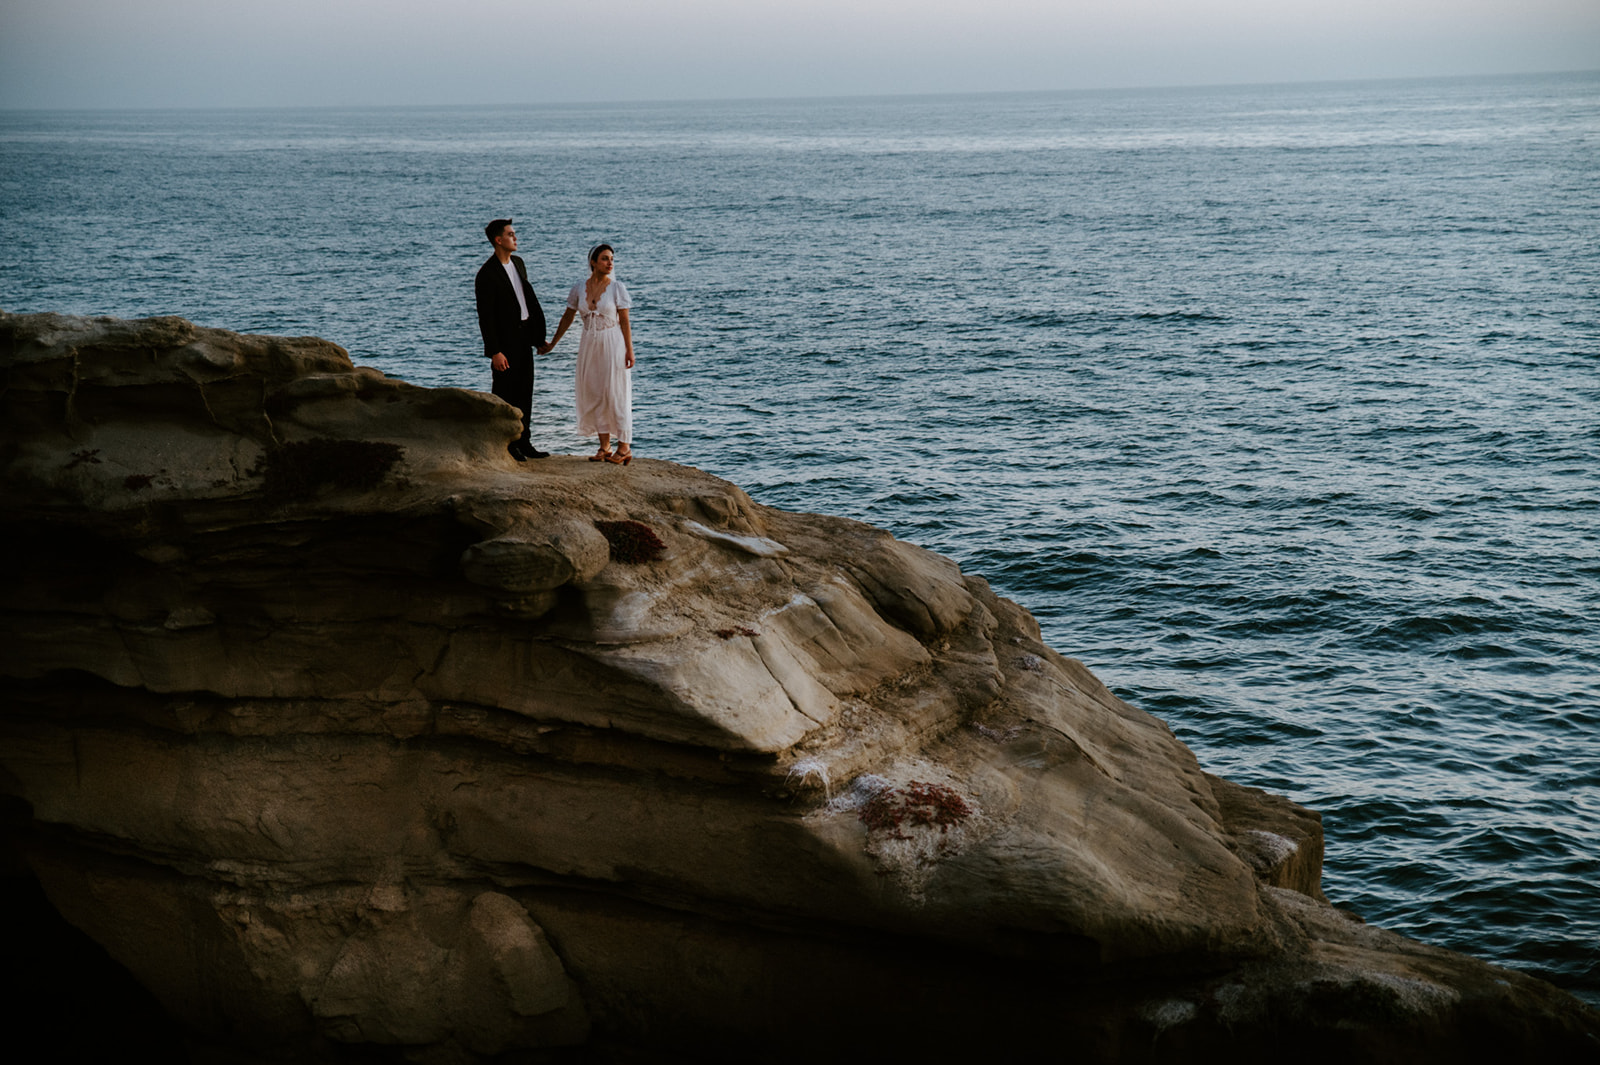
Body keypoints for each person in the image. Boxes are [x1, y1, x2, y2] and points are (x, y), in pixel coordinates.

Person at [544, 243, 635, 464]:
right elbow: (567, 317)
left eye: (612, 259)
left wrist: (629, 350)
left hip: (612, 343)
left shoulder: (617, 288)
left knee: (615, 392)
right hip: (589, 344)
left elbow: (624, 321)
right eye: (604, 258)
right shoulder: (578, 288)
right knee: (593, 392)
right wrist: (553, 343)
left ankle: (624, 447)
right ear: (593, 262)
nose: (610, 262)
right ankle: (604, 447)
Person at [474, 218, 549, 460]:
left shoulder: (518, 263)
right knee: (506, 394)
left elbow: (527, 301)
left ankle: (524, 441)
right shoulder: (486, 274)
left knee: (526, 391)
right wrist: (495, 351)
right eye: (510, 234)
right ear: (498, 240)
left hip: (524, 336)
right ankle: (507, 445)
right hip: (505, 344)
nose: (515, 238)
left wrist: (538, 337)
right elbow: (486, 317)